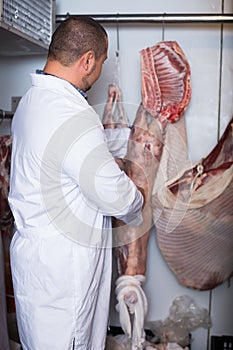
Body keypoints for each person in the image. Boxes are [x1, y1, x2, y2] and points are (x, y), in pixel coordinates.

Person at [8, 16, 144, 350]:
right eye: (100, 61)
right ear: (86, 61)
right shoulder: (72, 114)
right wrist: (139, 197)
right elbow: (115, 197)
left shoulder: (31, 101)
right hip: (64, 278)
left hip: (39, 267)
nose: (99, 71)